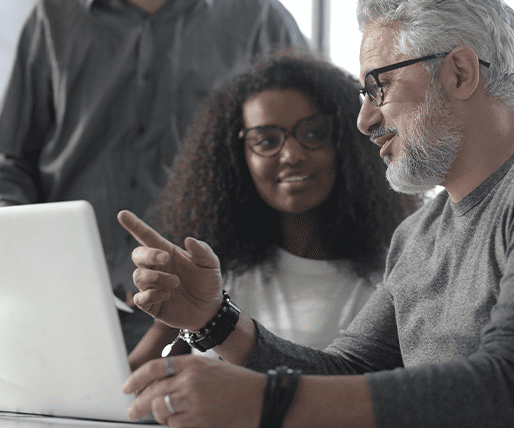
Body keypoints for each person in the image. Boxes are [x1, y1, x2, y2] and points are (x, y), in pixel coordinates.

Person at [117, 0, 514, 428]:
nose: (364, 120)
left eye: (378, 88)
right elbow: (349, 373)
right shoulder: (420, 233)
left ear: (459, 71)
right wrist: (214, 322)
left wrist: (266, 402)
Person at [0, 0, 307, 351]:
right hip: (67, 313)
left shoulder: (257, 19)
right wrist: (25, 247)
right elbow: (3, 158)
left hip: (214, 319)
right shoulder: (53, 19)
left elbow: (302, 164)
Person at [127, 54, 420, 370]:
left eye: (313, 133)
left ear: (345, 143)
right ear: (238, 156)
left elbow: (348, 397)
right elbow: (130, 388)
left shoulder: (388, 277)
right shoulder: (213, 269)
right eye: (266, 140)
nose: (291, 155)